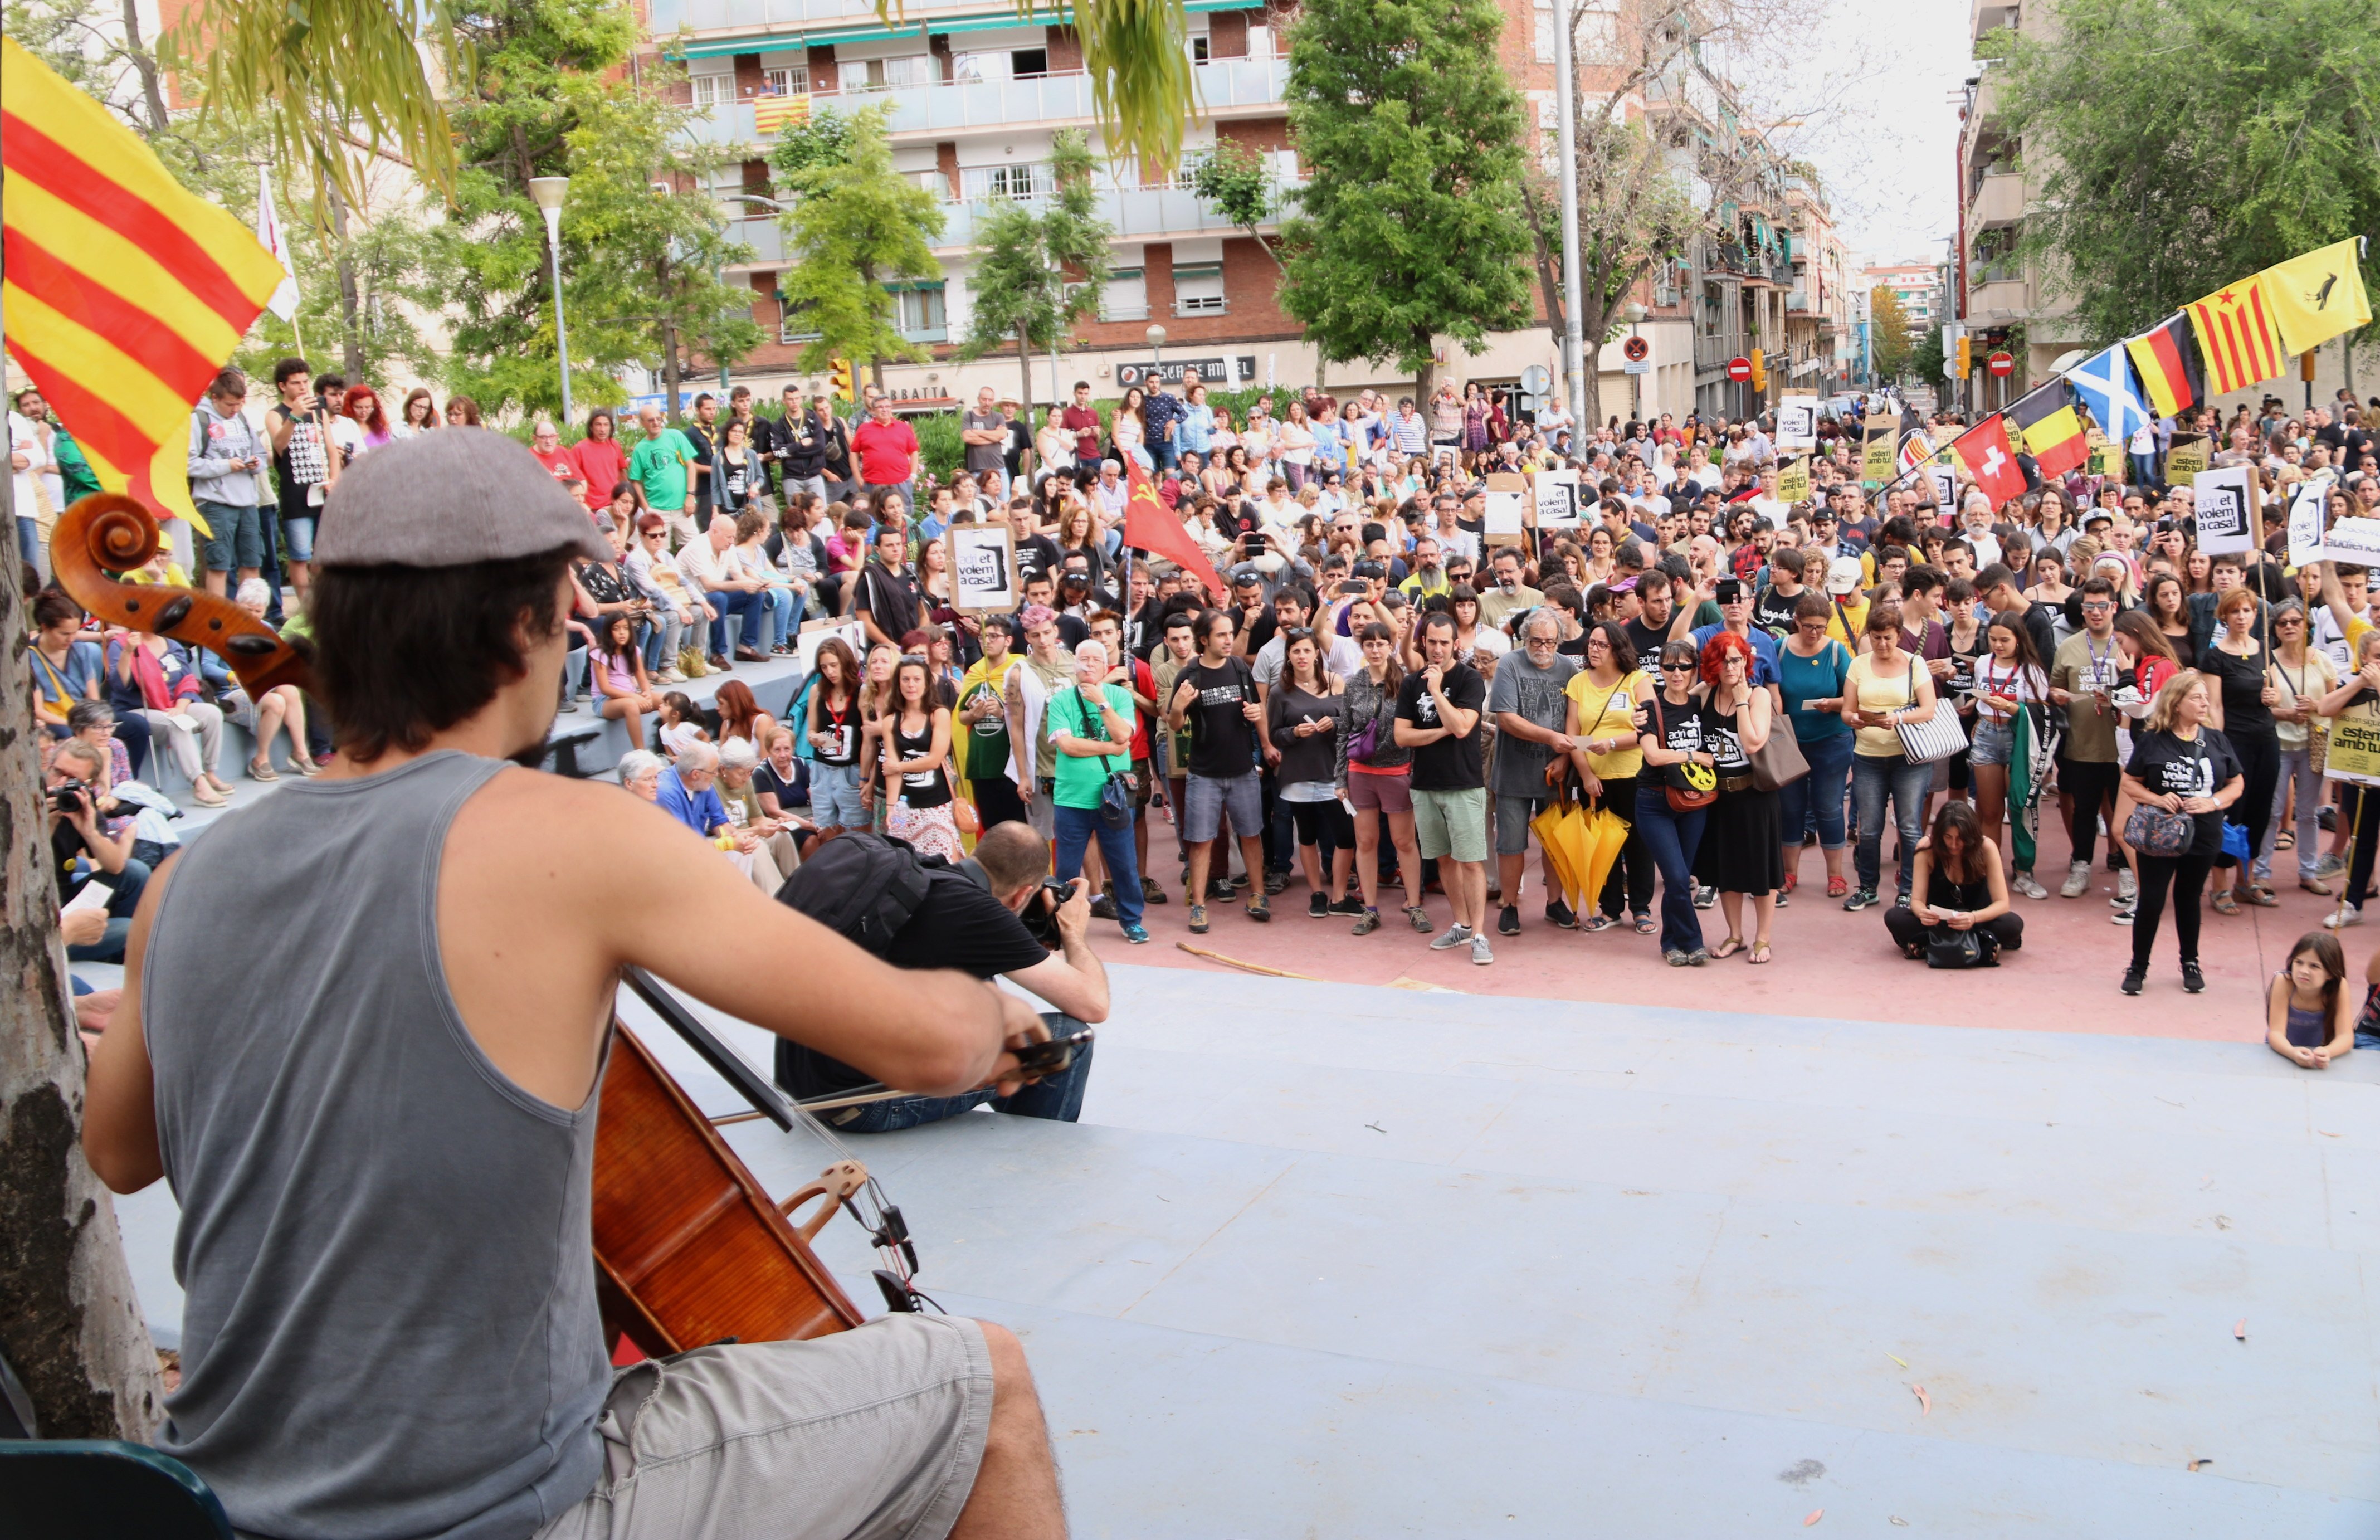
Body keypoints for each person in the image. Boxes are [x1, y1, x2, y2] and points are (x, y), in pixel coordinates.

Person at [82, 428, 1064, 1540]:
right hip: (501, 1511)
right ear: (518, 631)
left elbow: (118, 1151)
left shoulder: (187, 884)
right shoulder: (572, 837)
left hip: (235, 1504)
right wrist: (998, 1009)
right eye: (565, 615)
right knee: (986, 1385)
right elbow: (927, 1046)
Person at [774, 822, 1111, 1142]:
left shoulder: (922, 877)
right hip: (865, 1105)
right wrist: (1072, 932)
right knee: (1068, 1037)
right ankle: (1038, 1153)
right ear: (1024, 893)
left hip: (807, 1085)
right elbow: (1093, 1004)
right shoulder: (981, 916)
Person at [2120, 670, 2243, 995]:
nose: (2205, 703)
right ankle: (2138, 967)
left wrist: (2213, 802)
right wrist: (2157, 798)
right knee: (2152, 900)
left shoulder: (2216, 739)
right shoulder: (2152, 740)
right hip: (2160, 834)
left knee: (2189, 899)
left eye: (2205, 697)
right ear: (2176, 703)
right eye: (2197, 698)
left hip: (2203, 834)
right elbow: (2129, 782)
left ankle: (2190, 962)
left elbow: (2237, 782)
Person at [1397, 610, 1493, 963]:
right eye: (1431, 642)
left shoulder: (1469, 680)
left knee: (1470, 861)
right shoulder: (1410, 683)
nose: (1437, 650)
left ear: (1456, 644)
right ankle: (1461, 924)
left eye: (1444, 643)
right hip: (1424, 785)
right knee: (1443, 860)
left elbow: (1464, 727)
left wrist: (1437, 690)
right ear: (1423, 642)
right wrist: (1439, 732)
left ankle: (1480, 935)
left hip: (1463, 784)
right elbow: (1401, 735)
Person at [1168, 608, 1270, 933]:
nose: (1229, 640)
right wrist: (1178, 706)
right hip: (1204, 773)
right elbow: (1175, 724)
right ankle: (1198, 906)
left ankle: (1258, 895)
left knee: (1251, 834)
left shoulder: (1240, 668)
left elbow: (1257, 710)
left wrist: (1265, 742)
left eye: (1231, 633)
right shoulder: (1189, 675)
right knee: (1201, 840)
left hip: (1243, 769)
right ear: (1204, 640)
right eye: (1222, 635)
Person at [1045, 638, 1150, 942]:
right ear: (1074, 665)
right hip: (1071, 799)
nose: (1089, 664)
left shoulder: (1119, 696)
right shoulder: (1062, 700)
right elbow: (1068, 745)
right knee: (1065, 868)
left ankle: (1132, 920)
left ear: (1106, 666)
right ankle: (1060, 924)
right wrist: (1109, 748)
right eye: (1083, 659)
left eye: (1095, 660)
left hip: (1113, 798)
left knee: (1123, 864)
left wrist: (1101, 703)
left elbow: (1123, 734)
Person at [1840, 601, 1940, 912]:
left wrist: (1897, 719)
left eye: (1889, 637)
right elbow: (1847, 709)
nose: (1882, 644)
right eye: (1877, 637)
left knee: (1909, 826)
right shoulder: (1859, 665)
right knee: (1868, 828)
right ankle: (1868, 886)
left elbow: (1928, 709)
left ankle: (1910, 890)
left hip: (1909, 757)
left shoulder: (1915, 664)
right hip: (1868, 754)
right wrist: (1853, 719)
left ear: (1899, 636)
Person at [1489, 608, 1580, 934]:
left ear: (1559, 641)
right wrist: (1552, 738)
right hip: (1514, 773)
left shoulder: (1569, 668)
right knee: (1511, 844)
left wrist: (1565, 759)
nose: (1543, 648)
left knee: (1556, 844)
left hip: (1555, 774)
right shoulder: (1510, 664)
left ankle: (1554, 903)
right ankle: (1510, 905)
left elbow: (1575, 720)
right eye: (1536, 641)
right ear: (1524, 638)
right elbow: (1506, 719)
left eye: (1550, 642)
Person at [1694, 631, 1781, 962]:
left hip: (1755, 793)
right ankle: (1735, 935)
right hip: (1720, 796)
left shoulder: (1758, 695)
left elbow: (1753, 742)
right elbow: (1672, 705)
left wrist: (1742, 700)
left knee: (1761, 869)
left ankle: (1763, 938)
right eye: (1723, 660)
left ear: (1746, 660)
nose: (1730, 667)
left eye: (1737, 659)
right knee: (1725, 870)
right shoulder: (1706, 692)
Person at [2199, 586, 2282, 914]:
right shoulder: (2215, 656)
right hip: (2234, 741)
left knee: (2260, 811)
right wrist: (2218, 749)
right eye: (2235, 611)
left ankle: (2246, 882)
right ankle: (2219, 885)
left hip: (2266, 739)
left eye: (2247, 611)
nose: (2242, 617)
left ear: (2254, 614)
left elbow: (2275, 694)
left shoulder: (2264, 650)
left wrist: (2275, 697)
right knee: (2232, 812)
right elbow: (2214, 706)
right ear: (2225, 616)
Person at [1632, 638, 1714, 965]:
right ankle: (1694, 941)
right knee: (1678, 879)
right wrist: (1694, 755)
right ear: (1660, 670)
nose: (1677, 673)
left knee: (1680, 877)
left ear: (1695, 669)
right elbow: (1652, 756)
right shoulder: (1649, 709)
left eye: (1684, 666)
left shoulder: (1704, 703)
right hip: (1654, 801)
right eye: (1669, 666)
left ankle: (1670, 942)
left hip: (1694, 801)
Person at [1267, 627, 1357, 919]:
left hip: (1334, 771)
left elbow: (1352, 723)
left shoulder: (1336, 682)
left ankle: (1340, 895)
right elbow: (1275, 735)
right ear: (1289, 657)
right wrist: (1294, 732)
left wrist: (1334, 721)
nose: (1302, 656)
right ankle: (1317, 894)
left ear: (1317, 653)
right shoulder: (1280, 693)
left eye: (1307, 650)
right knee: (1306, 836)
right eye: (1296, 651)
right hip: (1299, 773)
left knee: (1345, 837)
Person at [2049, 577, 2127, 900]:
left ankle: (2127, 870)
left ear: (2114, 608)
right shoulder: (2068, 646)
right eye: (2090, 606)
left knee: (2125, 814)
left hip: (2123, 748)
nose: (2096, 613)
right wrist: (2058, 696)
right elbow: (2052, 689)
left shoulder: (2127, 644)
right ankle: (2080, 866)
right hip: (2082, 744)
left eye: (2102, 606)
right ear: (2082, 610)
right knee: (2084, 811)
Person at [1968, 611, 2052, 898]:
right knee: (1990, 811)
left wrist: (2011, 708)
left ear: (2019, 639)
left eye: (2005, 640)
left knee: (2022, 807)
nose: (1998, 645)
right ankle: (1989, 873)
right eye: (1993, 639)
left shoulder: (2032, 671)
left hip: (2019, 739)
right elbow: (1978, 696)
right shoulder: (1982, 664)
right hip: (1986, 736)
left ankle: (2025, 872)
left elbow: (2041, 715)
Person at [1775, 592, 1854, 899]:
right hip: (1790, 742)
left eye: (1821, 627)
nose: (1814, 633)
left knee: (1828, 807)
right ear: (1796, 622)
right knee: (1790, 808)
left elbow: (1854, 696)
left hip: (1830, 741)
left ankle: (1836, 876)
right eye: (1808, 626)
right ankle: (1789, 873)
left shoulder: (1835, 652)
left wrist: (1832, 704)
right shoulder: (1781, 649)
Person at [1882, 798, 2024, 962]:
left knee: (2012, 924)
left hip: (1977, 918)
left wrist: (1973, 918)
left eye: (1961, 838)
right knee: (1895, 917)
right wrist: (1923, 914)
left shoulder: (1986, 847)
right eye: (1948, 837)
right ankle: (1981, 943)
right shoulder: (1926, 848)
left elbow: (2002, 904)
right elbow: (1917, 900)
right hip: (1939, 921)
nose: (1954, 844)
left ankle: (1930, 943)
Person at [186, 368, 271, 599]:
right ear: (215, 398)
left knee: (252, 561)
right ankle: (219, 622)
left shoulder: (242, 418)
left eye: (239, 404)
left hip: (248, 501)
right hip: (216, 502)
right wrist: (226, 465)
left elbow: (261, 454)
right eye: (230, 405)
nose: (235, 410)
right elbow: (189, 464)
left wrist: (255, 464)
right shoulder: (199, 419)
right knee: (218, 564)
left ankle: (251, 616)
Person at [958, 616, 1026, 829]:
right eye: (982, 637)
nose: (987, 642)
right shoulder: (975, 672)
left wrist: (1003, 713)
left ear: (1008, 641)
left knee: (1019, 831)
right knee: (992, 831)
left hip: (1013, 765)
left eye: (994, 636)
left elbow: (1034, 716)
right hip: (982, 765)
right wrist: (973, 715)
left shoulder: (1021, 670)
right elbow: (961, 715)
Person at [804, 636, 869, 836]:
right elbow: (811, 731)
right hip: (822, 769)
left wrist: (865, 777)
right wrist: (813, 738)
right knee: (826, 832)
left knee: (859, 833)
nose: (830, 672)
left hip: (851, 770)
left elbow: (868, 738)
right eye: (824, 667)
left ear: (845, 662)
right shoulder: (817, 691)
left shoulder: (862, 691)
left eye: (834, 665)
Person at [2266, 932, 2355, 1069]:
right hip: (2282, 1053)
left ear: (2331, 973)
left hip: (2318, 1059)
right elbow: (2276, 1033)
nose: (2304, 971)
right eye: (2299, 962)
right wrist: (2292, 1053)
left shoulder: (2339, 987)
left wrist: (2328, 1052)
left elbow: (2346, 1037)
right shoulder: (2283, 982)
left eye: (2314, 966)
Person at [853, 393, 921, 511]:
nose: (885, 410)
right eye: (880, 407)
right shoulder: (864, 429)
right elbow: (853, 453)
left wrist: (913, 476)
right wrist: (858, 479)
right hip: (873, 484)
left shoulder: (903, 427)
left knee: (903, 517)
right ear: (873, 410)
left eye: (887, 406)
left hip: (900, 483)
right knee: (873, 518)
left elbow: (913, 451)